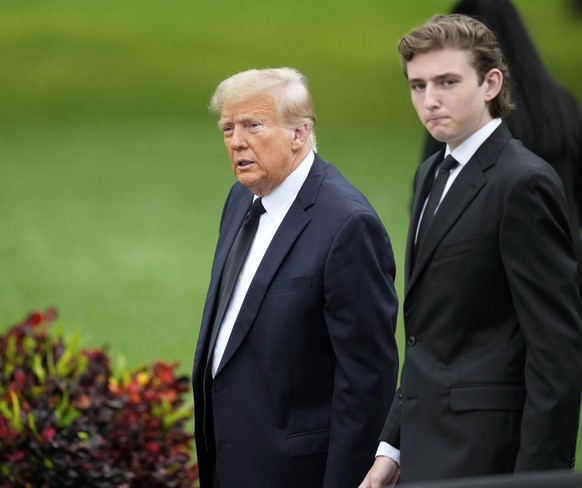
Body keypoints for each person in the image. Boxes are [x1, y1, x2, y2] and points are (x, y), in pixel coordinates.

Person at [360, 14, 582, 487]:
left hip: (488, 457)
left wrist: (537, 480)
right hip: (423, 449)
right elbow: (428, 335)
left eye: (447, 81)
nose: (430, 100)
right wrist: (391, 448)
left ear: (490, 83)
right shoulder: (430, 175)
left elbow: (556, 350)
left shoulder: (523, 183)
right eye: (417, 85)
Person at [192, 67, 399, 488]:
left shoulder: (347, 224)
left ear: (299, 135)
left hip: (298, 473)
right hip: (231, 464)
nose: (236, 141)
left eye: (253, 125)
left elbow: (367, 381)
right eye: (228, 128)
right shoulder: (241, 199)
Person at [421, 0, 582, 295]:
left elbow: (433, 208)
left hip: (486, 291)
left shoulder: (456, 120)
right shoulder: (562, 107)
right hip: (564, 272)